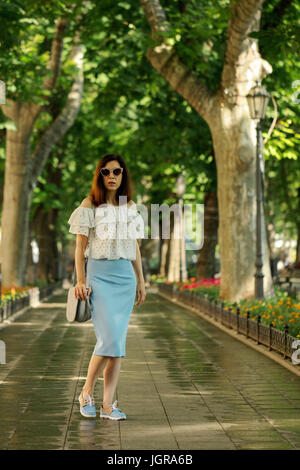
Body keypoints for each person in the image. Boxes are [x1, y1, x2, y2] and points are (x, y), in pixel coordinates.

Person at [67, 154, 146, 420]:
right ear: (100, 175)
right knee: (108, 338)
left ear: (123, 175)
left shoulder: (131, 207)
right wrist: (80, 279)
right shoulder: (89, 205)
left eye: (117, 171)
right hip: (98, 276)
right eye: (106, 171)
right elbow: (80, 248)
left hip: (125, 278)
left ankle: (108, 405)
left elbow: (135, 247)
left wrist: (141, 282)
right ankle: (86, 392)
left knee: (117, 344)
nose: (111, 176)